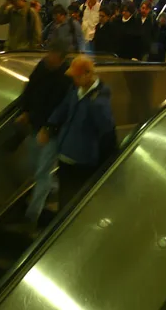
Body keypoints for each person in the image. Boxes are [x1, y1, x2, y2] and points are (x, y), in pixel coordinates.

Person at [38, 55, 116, 209]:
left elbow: (107, 130)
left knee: (76, 202)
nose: (74, 80)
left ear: (88, 74)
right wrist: (48, 127)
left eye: (77, 76)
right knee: (64, 197)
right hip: (65, 155)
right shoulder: (76, 89)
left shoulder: (100, 100)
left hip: (82, 161)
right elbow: (63, 108)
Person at [16, 41, 72, 226]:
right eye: (49, 55)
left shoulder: (67, 77)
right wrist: (25, 111)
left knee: (41, 172)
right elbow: (30, 88)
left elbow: (62, 109)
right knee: (33, 166)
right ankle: (52, 187)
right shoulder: (42, 66)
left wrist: (49, 129)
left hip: (52, 132)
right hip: (35, 125)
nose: (49, 59)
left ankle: (32, 216)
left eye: (54, 57)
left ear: (62, 59)